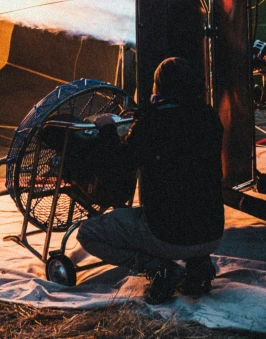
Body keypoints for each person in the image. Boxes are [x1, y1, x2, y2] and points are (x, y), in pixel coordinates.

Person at [77, 57, 224, 304]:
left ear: (159, 89)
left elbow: (118, 165)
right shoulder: (210, 117)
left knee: (88, 233)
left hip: (167, 233)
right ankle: (198, 263)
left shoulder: (152, 122)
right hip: (212, 233)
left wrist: (107, 130)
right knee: (186, 203)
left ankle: (159, 268)